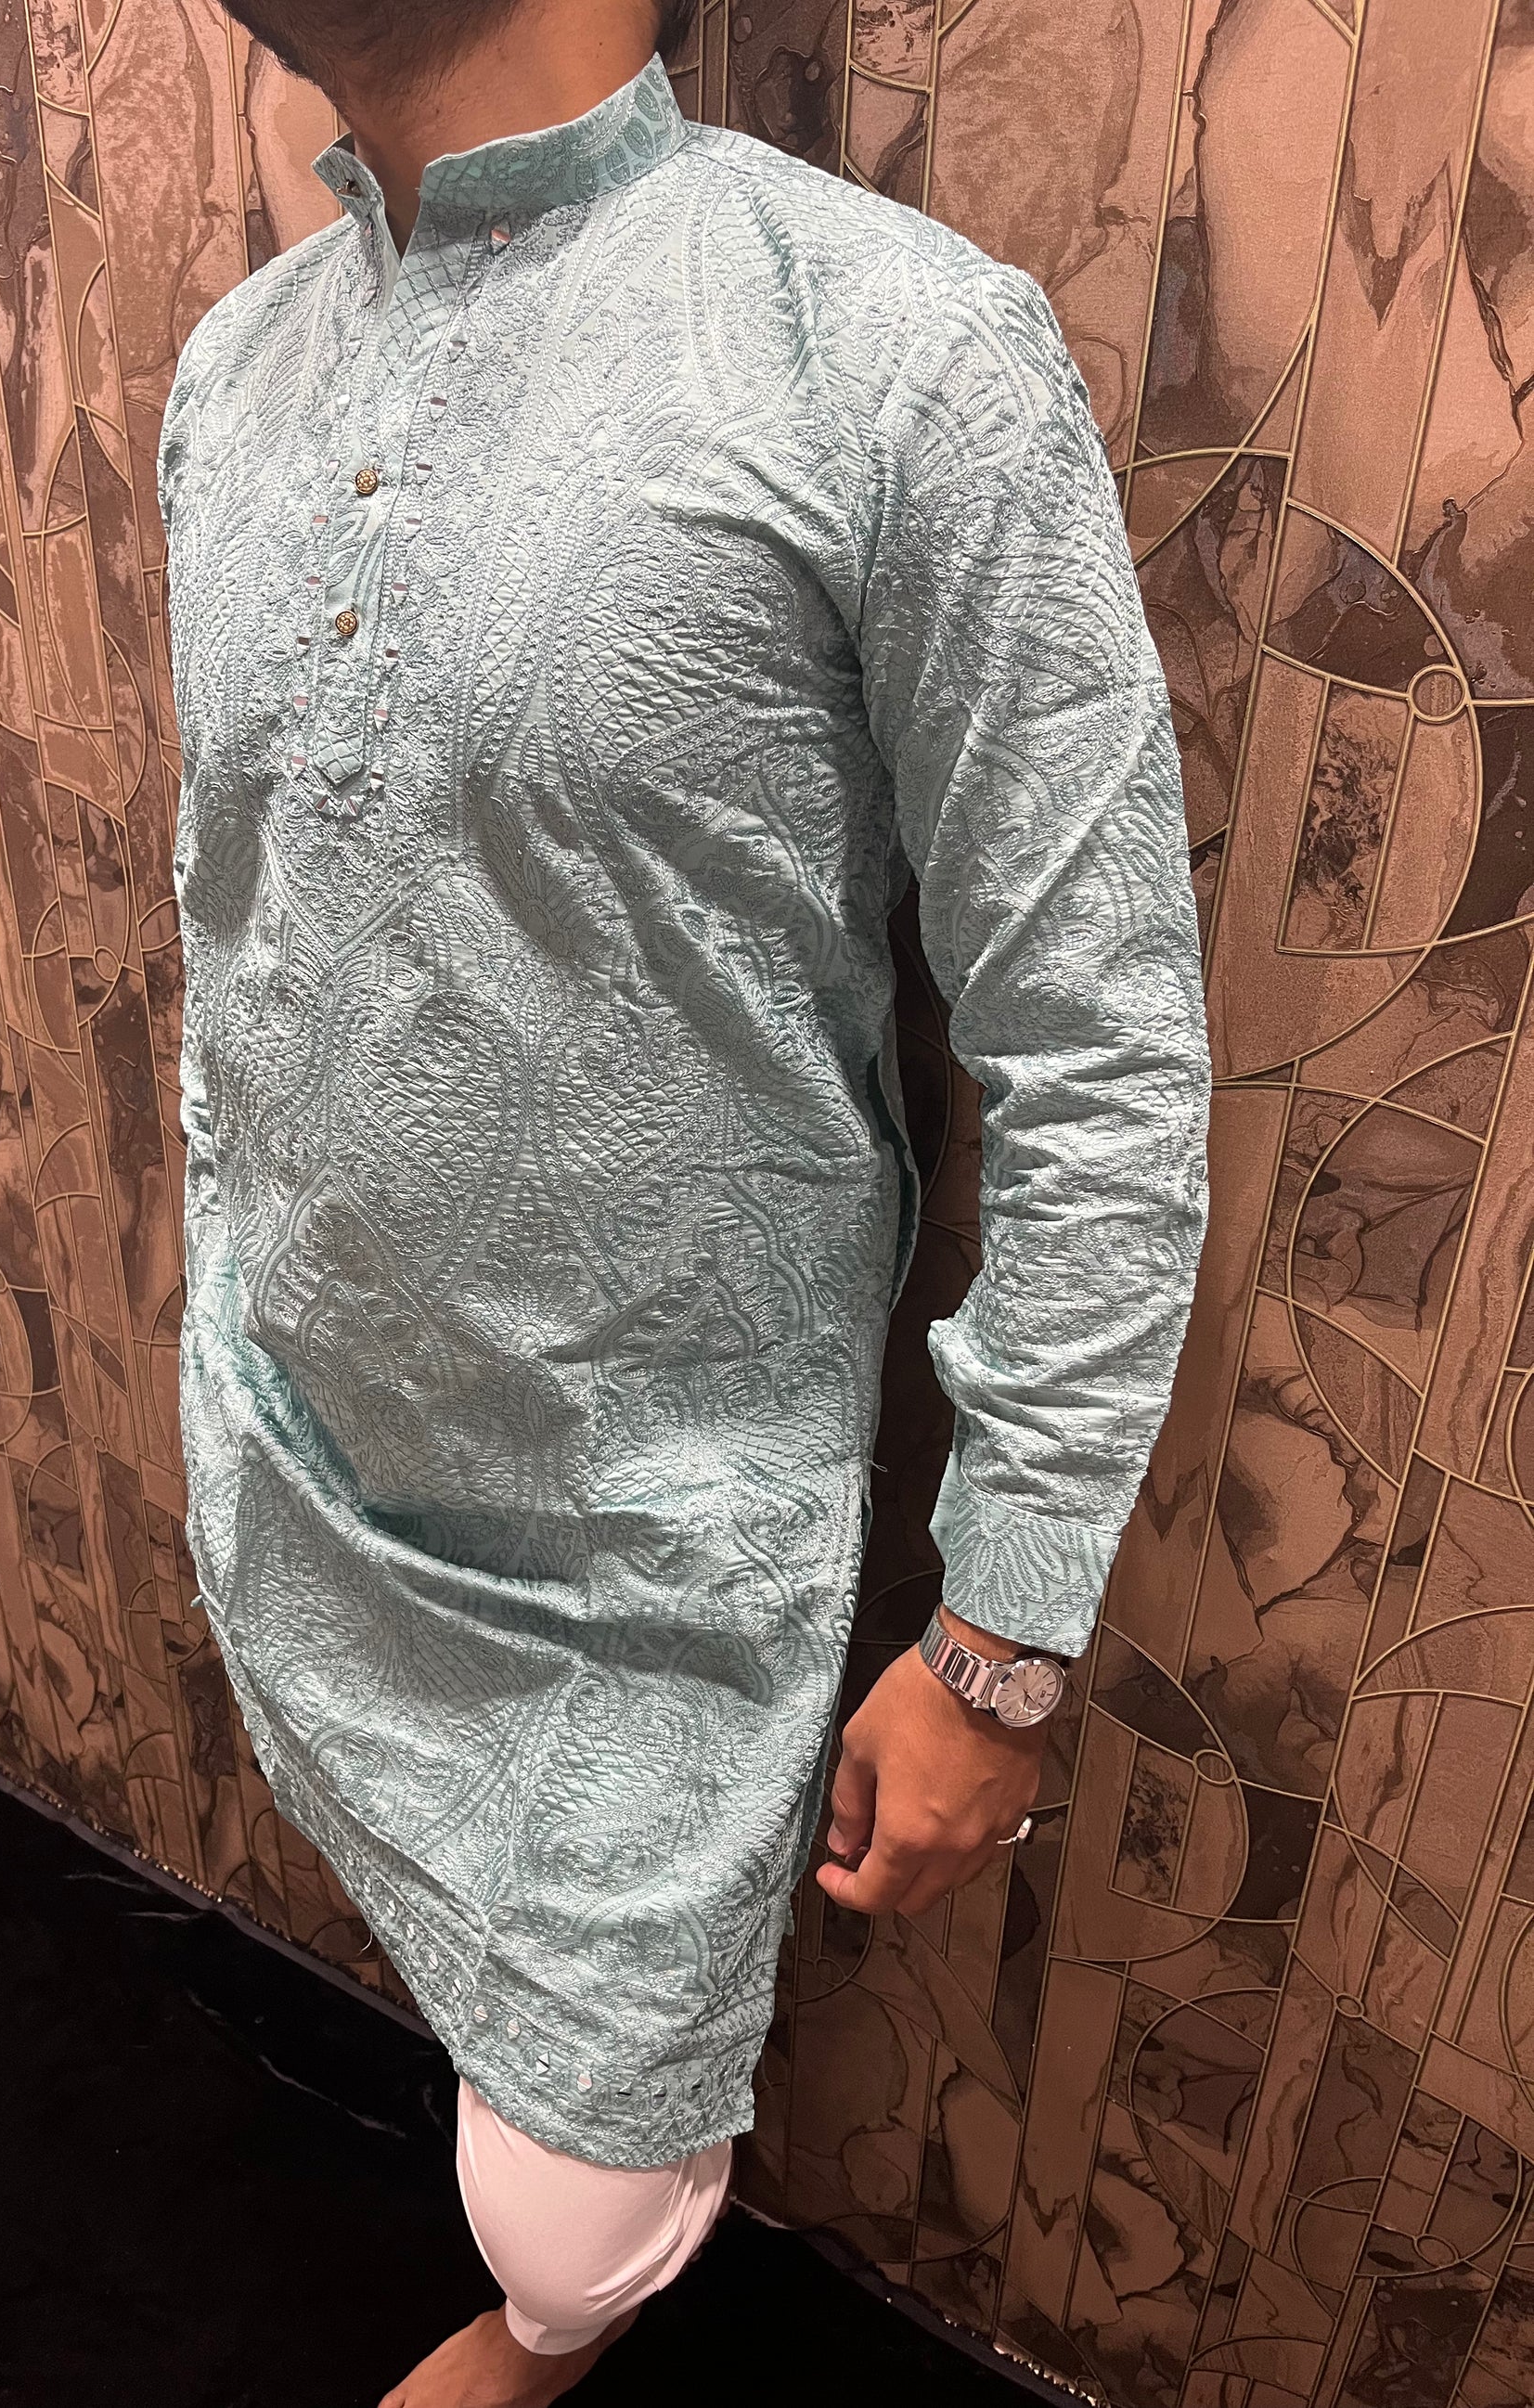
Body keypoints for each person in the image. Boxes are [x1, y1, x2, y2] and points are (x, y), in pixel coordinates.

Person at [156, 2, 1212, 2400]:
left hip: (653, 1559)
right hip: (294, 1454)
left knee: (570, 2221)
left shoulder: (896, 356)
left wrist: (1003, 1635)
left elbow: (1100, 1047)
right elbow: (243, 926)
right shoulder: (233, 376)